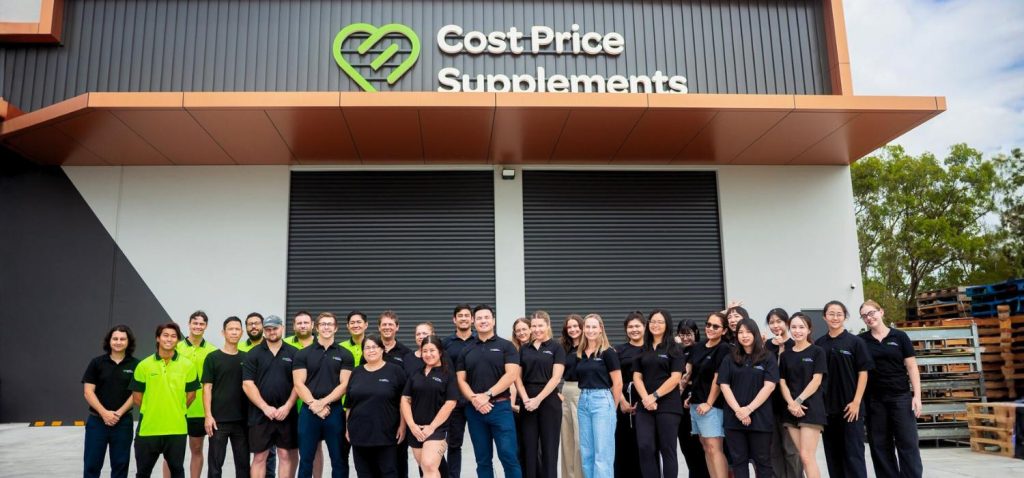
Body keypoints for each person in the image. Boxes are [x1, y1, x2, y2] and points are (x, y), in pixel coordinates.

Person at [857, 300, 923, 478]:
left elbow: (912, 367)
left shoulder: (900, 337)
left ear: (881, 312)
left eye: (871, 313)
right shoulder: (861, 341)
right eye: (864, 316)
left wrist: (917, 396)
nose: (869, 318)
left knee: (908, 443)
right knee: (880, 445)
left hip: (900, 398)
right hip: (874, 401)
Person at [455, 304, 522, 478]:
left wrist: (487, 395)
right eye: (479, 318)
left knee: (509, 456)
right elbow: (461, 380)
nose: (483, 321)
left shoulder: (507, 346)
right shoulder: (466, 350)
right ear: (473, 321)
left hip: (501, 409)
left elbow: (511, 374)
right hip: (475, 411)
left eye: (486, 317)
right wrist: (475, 400)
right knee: (482, 460)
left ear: (493, 321)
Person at [130, 322, 200, 478]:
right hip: (148, 429)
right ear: (158, 338)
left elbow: (191, 395)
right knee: (142, 474)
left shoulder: (188, 365)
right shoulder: (144, 365)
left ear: (178, 340)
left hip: (176, 430)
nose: (169, 339)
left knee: (177, 472)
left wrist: (176, 409)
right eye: (165, 335)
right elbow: (137, 397)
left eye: (173, 336)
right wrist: (153, 409)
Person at [293, 312, 356, 478]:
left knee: (339, 459)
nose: (326, 327)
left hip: (335, 412)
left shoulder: (345, 354)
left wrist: (322, 403)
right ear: (316, 327)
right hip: (308, 411)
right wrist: (314, 405)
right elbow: (299, 383)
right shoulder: (303, 354)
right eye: (323, 324)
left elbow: (345, 385)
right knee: (306, 459)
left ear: (336, 328)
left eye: (330, 324)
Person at [816, 301, 874, 478]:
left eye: (839, 314)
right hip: (828, 410)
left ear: (845, 317)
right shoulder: (819, 344)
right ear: (824, 317)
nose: (835, 317)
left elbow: (863, 373)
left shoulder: (856, 342)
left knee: (854, 456)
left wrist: (856, 402)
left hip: (851, 409)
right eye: (831, 314)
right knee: (833, 456)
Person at [718, 318, 779, 478]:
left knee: (763, 462)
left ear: (755, 333)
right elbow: (724, 385)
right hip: (734, 418)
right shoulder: (729, 358)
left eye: (748, 332)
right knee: (739, 462)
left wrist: (748, 409)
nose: (744, 335)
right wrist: (739, 411)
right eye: (740, 332)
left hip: (760, 419)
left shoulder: (768, 357)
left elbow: (770, 386)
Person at [243, 315, 299, 478]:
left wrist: (287, 407)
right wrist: (265, 407)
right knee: (260, 457)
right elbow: (247, 384)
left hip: (286, 414)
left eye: (275, 328)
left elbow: (299, 384)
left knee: (285, 455)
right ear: (263, 331)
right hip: (260, 414)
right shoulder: (253, 354)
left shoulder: (294, 353)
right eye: (268, 329)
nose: (271, 332)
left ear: (282, 328)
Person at [633, 309, 685, 478]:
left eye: (660, 322)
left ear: (667, 325)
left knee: (667, 449)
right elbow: (637, 377)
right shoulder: (643, 348)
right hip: (645, 406)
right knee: (645, 447)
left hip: (668, 405)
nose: (655, 325)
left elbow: (676, 378)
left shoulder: (675, 348)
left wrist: (654, 396)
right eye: (653, 321)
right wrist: (646, 398)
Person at [346, 334, 408, 477]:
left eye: (374, 347)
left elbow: (404, 401)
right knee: (364, 473)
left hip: (386, 433)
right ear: (363, 351)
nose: (371, 350)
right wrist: (347, 427)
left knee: (388, 472)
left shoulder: (395, 371)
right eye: (367, 348)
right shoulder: (356, 372)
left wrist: (403, 426)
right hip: (359, 433)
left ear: (382, 349)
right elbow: (349, 404)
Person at [82, 324, 140, 478]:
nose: (118, 342)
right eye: (115, 339)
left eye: (122, 339)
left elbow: (136, 393)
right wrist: (104, 413)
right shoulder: (97, 363)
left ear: (128, 342)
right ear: (109, 341)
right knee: (91, 465)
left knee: (120, 466)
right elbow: (88, 392)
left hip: (123, 422)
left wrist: (118, 414)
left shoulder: (136, 365)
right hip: (97, 422)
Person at [514, 311, 565, 478]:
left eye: (540, 325)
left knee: (549, 448)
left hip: (549, 401)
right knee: (529, 449)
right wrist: (525, 399)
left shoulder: (556, 348)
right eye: (534, 326)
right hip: (527, 402)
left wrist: (538, 399)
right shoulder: (524, 349)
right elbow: (517, 377)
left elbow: (556, 378)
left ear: (548, 326)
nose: (537, 329)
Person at [402, 335, 459, 478]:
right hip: (416, 429)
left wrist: (432, 427)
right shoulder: (416, 373)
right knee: (425, 468)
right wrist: (412, 426)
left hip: (437, 429)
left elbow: (450, 403)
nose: (428, 354)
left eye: (432, 350)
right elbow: (405, 399)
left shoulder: (448, 375)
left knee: (428, 464)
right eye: (425, 351)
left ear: (440, 352)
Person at [202, 316, 251, 478]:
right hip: (218, 421)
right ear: (223, 332)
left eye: (237, 329)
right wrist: (208, 416)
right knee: (215, 466)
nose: (234, 332)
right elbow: (207, 388)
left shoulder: (247, 358)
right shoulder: (212, 358)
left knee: (243, 466)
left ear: (242, 332)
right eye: (231, 329)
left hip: (242, 421)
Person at [575, 313, 623, 478]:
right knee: (586, 453)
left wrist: (612, 408)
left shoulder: (608, 352)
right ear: (583, 329)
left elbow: (618, 383)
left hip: (602, 401)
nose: (590, 330)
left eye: (594, 327)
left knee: (602, 454)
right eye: (587, 326)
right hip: (583, 401)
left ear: (601, 329)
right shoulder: (580, 353)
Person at [779, 313, 827, 478]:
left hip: (811, 408)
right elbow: (782, 382)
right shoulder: (785, 355)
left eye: (801, 327)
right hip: (791, 410)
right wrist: (791, 403)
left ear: (809, 330)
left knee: (807, 457)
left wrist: (798, 401)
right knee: (802, 456)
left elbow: (817, 380)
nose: (797, 331)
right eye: (793, 327)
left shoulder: (817, 351)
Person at [174, 310, 218, 478]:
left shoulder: (212, 351)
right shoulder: (176, 348)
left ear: (206, 326)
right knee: (172, 453)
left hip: (199, 410)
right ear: (189, 324)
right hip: (176, 408)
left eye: (201, 324)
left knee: (197, 449)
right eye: (195, 323)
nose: (198, 326)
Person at [687, 312, 730, 478]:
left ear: (724, 330)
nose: (710, 328)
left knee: (714, 447)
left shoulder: (724, 348)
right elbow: (693, 374)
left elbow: (718, 379)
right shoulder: (699, 346)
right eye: (708, 324)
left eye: (716, 326)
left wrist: (709, 403)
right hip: (696, 403)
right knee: (706, 446)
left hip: (712, 406)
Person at [764, 308, 802, 478]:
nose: (775, 325)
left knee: (791, 449)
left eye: (779, 321)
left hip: (790, 404)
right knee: (774, 450)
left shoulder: (795, 343)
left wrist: (782, 350)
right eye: (771, 322)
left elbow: (790, 373)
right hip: (770, 404)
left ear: (787, 323)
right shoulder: (766, 346)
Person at [283, 310, 319, 478]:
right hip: (289, 407)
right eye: (299, 323)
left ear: (312, 325)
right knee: (291, 449)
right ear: (294, 326)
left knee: (316, 448)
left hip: (314, 406)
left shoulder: (321, 345)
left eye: (306, 323)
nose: (303, 326)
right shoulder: (284, 345)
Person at [441, 304, 475, 478]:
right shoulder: (446, 343)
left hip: (476, 401)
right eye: (460, 316)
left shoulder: (479, 341)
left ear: (472, 319)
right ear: (454, 319)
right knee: (454, 444)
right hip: (454, 401)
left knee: (482, 445)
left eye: (467, 315)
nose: (463, 318)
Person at [378, 310, 412, 478]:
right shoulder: (372, 350)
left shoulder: (406, 353)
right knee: (378, 460)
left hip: (398, 414)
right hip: (376, 414)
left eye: (391, 324)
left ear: (397, 327)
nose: (387, 327)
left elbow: (408, 390)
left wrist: (403, 424)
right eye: (384, 324)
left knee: (399, 459)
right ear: (379, 327)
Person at [675, 320, 710, 478]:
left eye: (688, 334)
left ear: (696, 333)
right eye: (682, 334)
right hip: (679, 400)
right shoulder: (676, 351)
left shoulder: (701, 349)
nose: (685, 338)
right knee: (686, 444)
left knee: (700, 444)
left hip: (696, 398)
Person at [613, 311, 644, 478]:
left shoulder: (652, 349)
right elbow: (613, 378)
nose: (634, 329)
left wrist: (646, 399)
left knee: (645, 446)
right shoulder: (618, 350)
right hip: (623, 400)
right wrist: (622, 401)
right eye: (630, 327)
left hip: (647, 401)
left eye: (637, 326)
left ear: (644, 327)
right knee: (623, 445)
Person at [559, 314, 584, 478]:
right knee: (567, 440)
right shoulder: (563, 348)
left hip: (583, 391)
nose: (573, 329)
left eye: (576, 326)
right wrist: (557, 392)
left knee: (580, 441)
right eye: (569, 327)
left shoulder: (589, 346)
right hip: (566, 390)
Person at [509, 317, 531, 472]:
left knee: (534, 447)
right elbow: (512, 379)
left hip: (535, 401)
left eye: (524, 329)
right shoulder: (512, 351)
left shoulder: (539, 350)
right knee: (517, 447)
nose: (522, 333)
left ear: (530, 330)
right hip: (517, 402)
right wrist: (512, 404)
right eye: (518, 330)